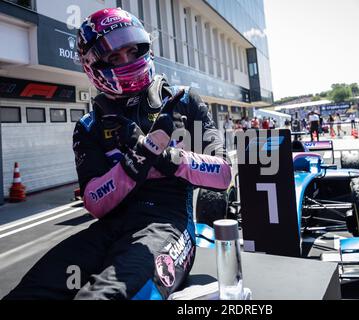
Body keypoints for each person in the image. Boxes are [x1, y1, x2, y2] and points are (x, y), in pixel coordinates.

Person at [3, 8, 231, 300]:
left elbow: (223, 174)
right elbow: (95, 204)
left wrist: (166, 158)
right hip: (110, 228)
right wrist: (133, 164)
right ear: (92, 66)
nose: (127, 60)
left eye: (131, 50)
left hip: (169, 225)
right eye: (114, 57)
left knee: (102, 297)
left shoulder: (183, 101)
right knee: (30, 292)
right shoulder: (89, 126)